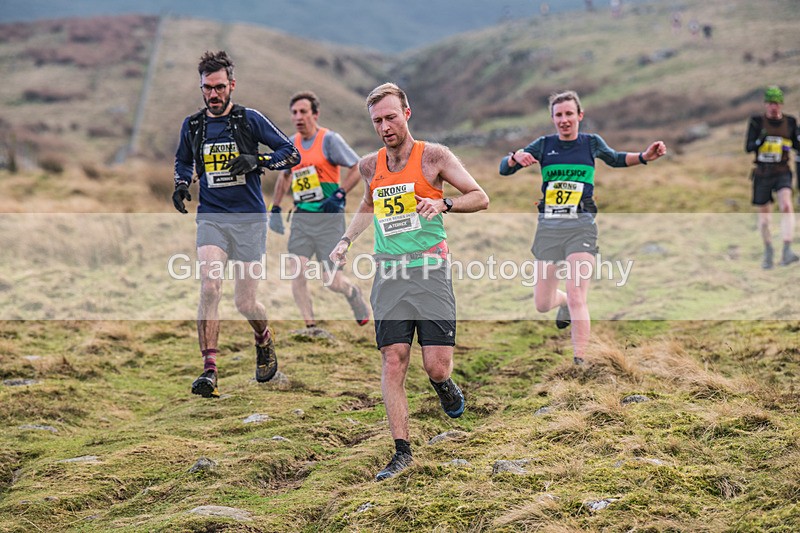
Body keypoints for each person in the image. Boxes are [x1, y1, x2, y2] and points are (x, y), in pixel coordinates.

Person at [329, 83, 489, 481]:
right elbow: (368, 205)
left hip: (430, 272)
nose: (384, 126)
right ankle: (402, 451)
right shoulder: (370, 166)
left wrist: (444, 202)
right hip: (389, 273)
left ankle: (444, 384)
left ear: (407, 113)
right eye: (377, 121)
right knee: (393, 358)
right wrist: (346, 240)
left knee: (435, 366)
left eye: (390, 117)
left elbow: (480, 196)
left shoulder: (434, 156)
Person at [499, 90, 666, 365]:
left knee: (578, 294)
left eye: (569, 114)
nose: (564, 120)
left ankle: (580, 360)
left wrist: (645, 156)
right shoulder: (543, 145)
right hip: (549, 229)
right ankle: (560, 302)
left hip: (582, 227)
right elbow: (504, 169)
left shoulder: (591, 143)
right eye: (559, 115)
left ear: (580, 115)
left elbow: (615, 158)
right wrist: (515, 158)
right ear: (553, 118)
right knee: (542, 303)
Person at [172, 50, 299, 398]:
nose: (213, 95)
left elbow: (291, 152)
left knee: (245, 303)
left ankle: (263, 337)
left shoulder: (249, 120)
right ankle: (209, 370)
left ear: (231, 85)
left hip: (250, 220)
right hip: (212, 216)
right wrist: (182, 184)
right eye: (207, 88)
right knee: (210, 286)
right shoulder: (193, 125)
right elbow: (183, 161)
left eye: (219, 87)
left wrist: (255, 160)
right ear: (201, 88)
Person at [269, 91, 369, 330]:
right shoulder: (290, 144)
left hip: (329, 220)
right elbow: (284, 177)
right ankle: (311, 327)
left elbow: (357, 166)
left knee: (332, 282)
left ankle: (352, 292)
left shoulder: (329, 140)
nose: (298, 117)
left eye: (303, 112)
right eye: (294, 112)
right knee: (298, 272)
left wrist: (340, 193)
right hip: (302, 217)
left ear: (315, 114)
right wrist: (275, 208)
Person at [745, 86, 800, 269]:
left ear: (781, 104)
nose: (773, 107)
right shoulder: (756, 122)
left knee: (786, 205)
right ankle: (768, 251)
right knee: (765, 219)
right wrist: (760, 142)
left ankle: (787, 249)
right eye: (770, 103)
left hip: (782, 171)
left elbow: (797, 145)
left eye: (776, 103)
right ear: (766, 104)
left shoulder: (790, 122)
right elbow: (748, 147)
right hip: (762, 174)